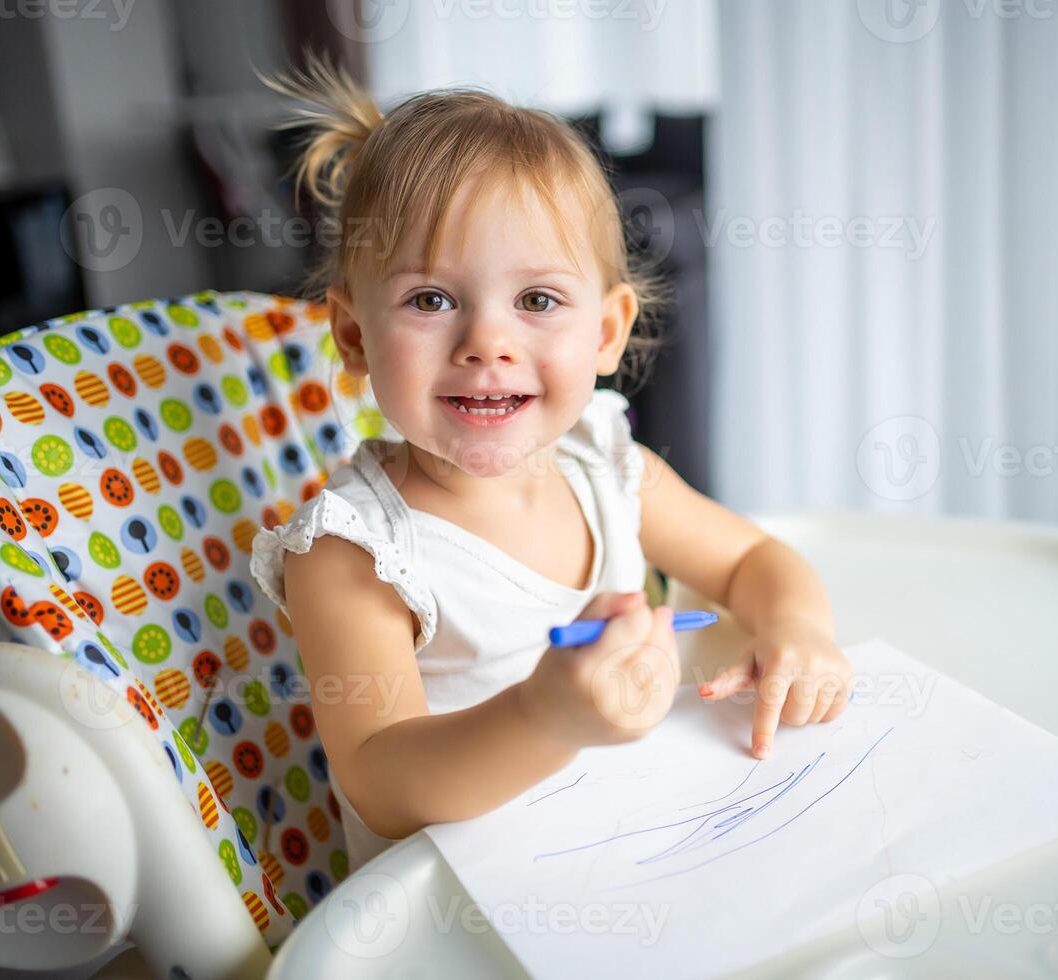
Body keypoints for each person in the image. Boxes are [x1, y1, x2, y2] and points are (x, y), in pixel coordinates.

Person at [249, 57, 851, 873]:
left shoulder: (607, 467)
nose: (487, 343)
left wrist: (798, 630)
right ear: (354, 337)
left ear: (605, 332)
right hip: (456, 905)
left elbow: (751, 560)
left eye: (536, 301)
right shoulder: (353, 551)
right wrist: (545, 717)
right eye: (431, 300)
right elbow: (381, 782)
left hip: (639, 848)